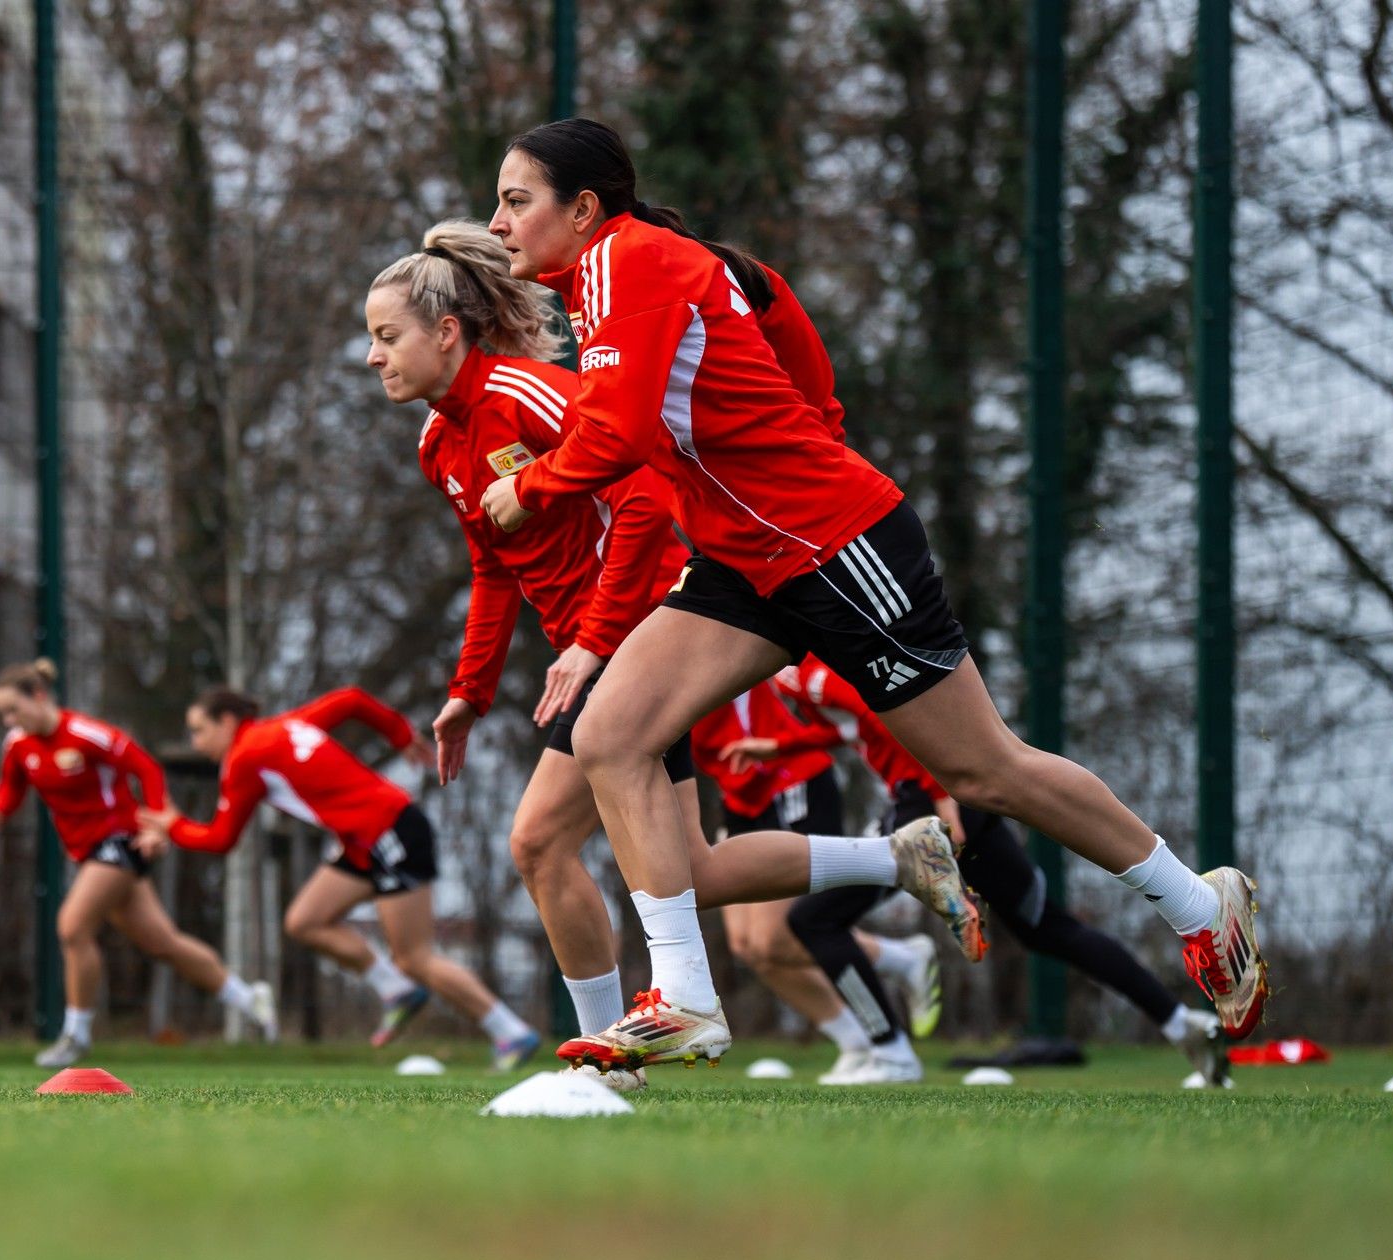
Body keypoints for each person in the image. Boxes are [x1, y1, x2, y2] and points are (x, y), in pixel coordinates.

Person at [477, 118, 1265, 1073]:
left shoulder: (626, 262)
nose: (500, 220)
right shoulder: (647, 271)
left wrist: (531, 485)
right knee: (610, 736)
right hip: (749, 557)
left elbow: (622, 435)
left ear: (585, 208)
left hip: (836, 544)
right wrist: (801, 444)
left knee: (985, 772)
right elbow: (796, 349)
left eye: (517, 199)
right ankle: (683, 997)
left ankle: (1198, 903)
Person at [368, 220, 968, 1084]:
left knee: (537, 841)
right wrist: (471, 687)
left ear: (447, 332)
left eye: (387, 337)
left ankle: (606, 1062)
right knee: (690, 867)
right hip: (601, 645)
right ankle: (899, 857)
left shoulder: (529, 394)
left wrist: (595, 639)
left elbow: (646, 489)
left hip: (643, 631)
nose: (374, 357)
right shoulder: (439, 443)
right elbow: (493, 565)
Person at [775, 659, 1231, 1087]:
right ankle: (1182, 1024)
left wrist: (940, 801)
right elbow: (859, 728)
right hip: (966, 806)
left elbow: (887, 718)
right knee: (1047, 928)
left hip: (928, 809)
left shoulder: (810, 672)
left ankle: (891, 1052)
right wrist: (777, 745)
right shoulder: (807, 669)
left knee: (812, 920)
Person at [141, 685, 543, 1069]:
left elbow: (220, 838)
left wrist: (171, 825)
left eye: (199, 730)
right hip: (366, 840)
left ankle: (510, 1032)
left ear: (227, 721)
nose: (196, 743)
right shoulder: (284, 726)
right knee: (305, 920)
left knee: (415, 957)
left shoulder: (244, 758)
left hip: (390, 833)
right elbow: (351, 699)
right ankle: (395, 989)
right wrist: (400, 734)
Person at [0, 659, 275, 1067]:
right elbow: (12, 785)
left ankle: (75, 1035)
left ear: (40, 696)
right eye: (3, 714)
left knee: (72, 926)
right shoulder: (17, 744)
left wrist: (156, 826)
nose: (9, 720)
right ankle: (250, 998)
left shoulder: (86, 734)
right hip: (88, 854)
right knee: (163, 943)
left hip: (119, 841)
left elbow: (146, 767)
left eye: (14, 709)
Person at [692, 683, 942, 1081]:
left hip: (790, 779)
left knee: (776, 936)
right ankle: (857, 1043)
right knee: (748, 946)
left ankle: (900, 960)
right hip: (740, 792)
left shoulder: (681, 632)